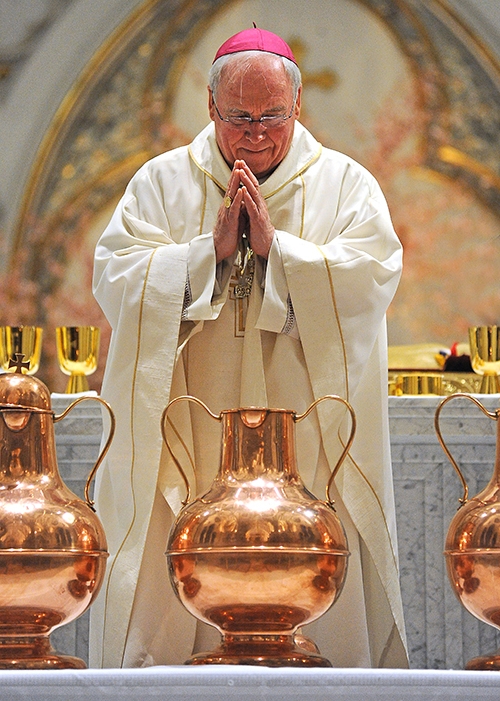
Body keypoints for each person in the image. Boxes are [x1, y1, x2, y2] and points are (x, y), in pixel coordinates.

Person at [91, 27, 407, 669]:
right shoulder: (160, 185)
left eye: (273, 117)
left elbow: (372, 276)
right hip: (192, 428)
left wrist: (278, 256)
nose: (257, 132)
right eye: (240, 117)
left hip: (308, 439)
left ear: (297, 109)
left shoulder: (346, 186)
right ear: (211, 109)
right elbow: (115, 275)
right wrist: (203, 258)